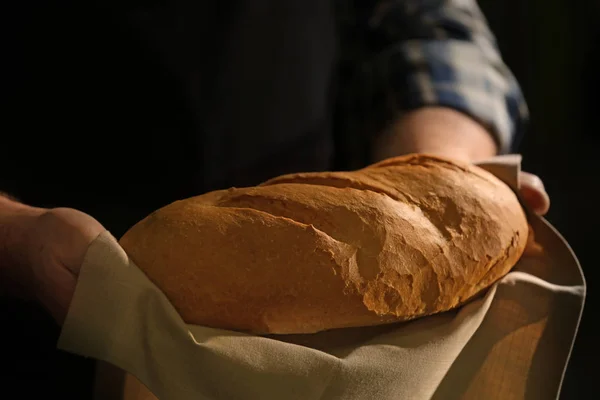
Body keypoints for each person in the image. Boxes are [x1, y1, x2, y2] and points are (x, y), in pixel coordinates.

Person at [1, 0, 549, 397]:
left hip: (328, 330)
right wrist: (16, 235)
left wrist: (440, 164)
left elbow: (427, 25)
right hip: (38, 315)